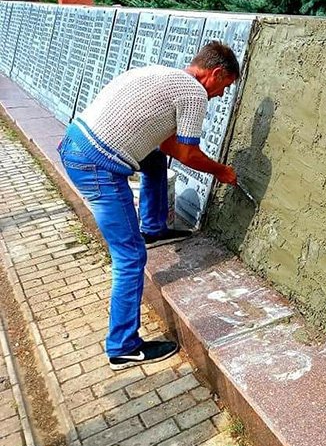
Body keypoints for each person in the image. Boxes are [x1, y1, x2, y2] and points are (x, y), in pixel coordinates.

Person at [57, 42, 239, 371]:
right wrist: (221, 171)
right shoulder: (194, 93)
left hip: (75, 143)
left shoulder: (164, 73)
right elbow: (187, 154)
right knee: (130, 256)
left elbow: (168, 144)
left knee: (154, 161)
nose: (220, 96)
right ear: (214, 74)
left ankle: (153, 227)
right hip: (97, 166)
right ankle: (123, 347)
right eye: (224, 88)